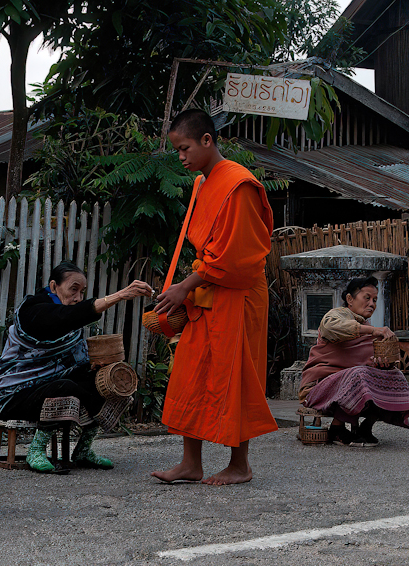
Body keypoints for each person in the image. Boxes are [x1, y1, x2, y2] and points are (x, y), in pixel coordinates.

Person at [151, 109, 278, 486]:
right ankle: (191, 463)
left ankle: (240, 464)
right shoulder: (202, 184)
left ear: (207, 140)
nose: (181, 157)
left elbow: (235, 256)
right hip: (207, 290)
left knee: (236, 375)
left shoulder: (238, 184)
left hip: (237, 292)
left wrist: (184, 287)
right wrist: (188, 287)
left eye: (185, 148)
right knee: (191, 372)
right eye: (177, 150)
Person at [0, 262, 153, 472]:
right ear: (54, 286)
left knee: (111, 383)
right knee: (64, 387)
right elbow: (63, 318)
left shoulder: (69, 324)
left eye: (81, 292)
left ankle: (83, 449)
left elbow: (70, 361)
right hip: (13, 395)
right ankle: (36, 450)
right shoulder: (33, 310)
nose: (77, 297)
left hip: (50, 386)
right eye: (73, 289)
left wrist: (93, 368)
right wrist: (119, 296)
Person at [299, 277, 409, 447]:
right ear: (350, 299)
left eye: (375, 300)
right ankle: (337, 428)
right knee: (359, 373)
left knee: (393, 375)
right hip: (318, 388)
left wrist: (382, 366)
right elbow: (332, 328)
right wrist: (373, 330)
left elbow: (370, 363)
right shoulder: (337, 315)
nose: (372, 304)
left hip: (349, 386)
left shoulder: (367, 328)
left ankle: (365, 427)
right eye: (367, 298)